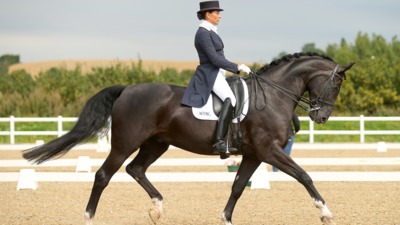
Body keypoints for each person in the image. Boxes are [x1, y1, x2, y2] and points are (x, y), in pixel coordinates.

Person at [181, 1, 251, 157]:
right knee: (230, 99)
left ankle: (231, 137)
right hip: (209, 74)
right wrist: (237, 67)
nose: (220, 16)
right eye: (217, 13)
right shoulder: (203, 33)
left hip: (218, 74)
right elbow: (214, 59)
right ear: (207, 14)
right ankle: (219, 142)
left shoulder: (212, 31)